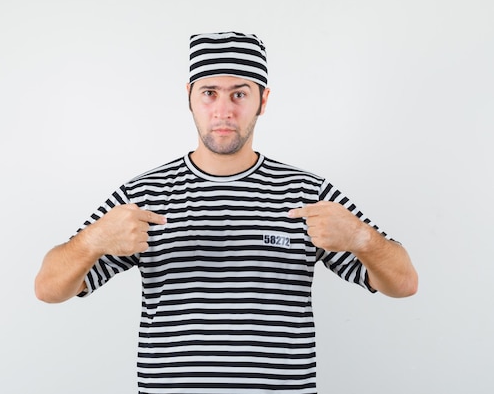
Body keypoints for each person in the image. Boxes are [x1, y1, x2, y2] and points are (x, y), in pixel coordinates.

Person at [34, 31, 418, 393]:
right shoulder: (143, 194)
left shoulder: (307, 193)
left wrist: (361, 239)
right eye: (209, 93)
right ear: (189, 96)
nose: (223, 110)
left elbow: (404, 283)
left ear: (263, 100)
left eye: (239, 94)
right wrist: (93, 241)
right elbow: (48, 288)